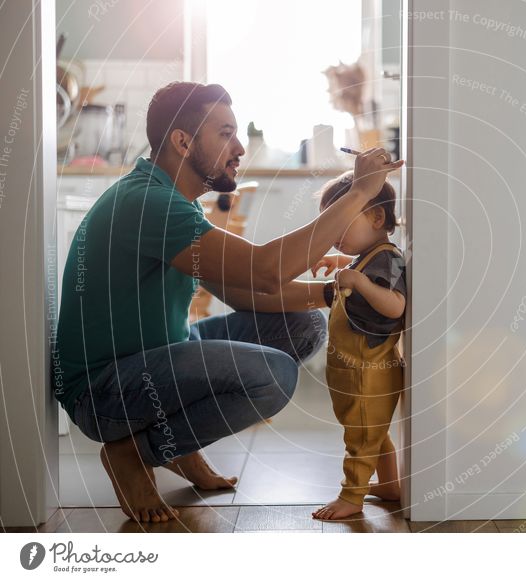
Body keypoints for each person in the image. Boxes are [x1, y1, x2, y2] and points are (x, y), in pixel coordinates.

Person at [52, 81, 403, 523]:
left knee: (305, 324)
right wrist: (358, 193)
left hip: (154, 358)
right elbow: (263, 270)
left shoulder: (175, 203)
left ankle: (179, 447)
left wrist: (332, 292)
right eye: (225, 134)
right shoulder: (148, 204)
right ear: (183, 142)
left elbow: (241, 292)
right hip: (103, 388)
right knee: (271, 375)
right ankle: (135, 451)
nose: (239, 147)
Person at [309, 171, 407, 520]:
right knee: (374, 434)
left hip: (371, 370)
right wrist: (344, 266)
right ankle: (391, 485)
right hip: (355, 369)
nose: (333, 238)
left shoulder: (389, 257)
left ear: (376, 217)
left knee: (362, 437)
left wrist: (360, 283)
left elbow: (396, 305)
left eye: (340, 227)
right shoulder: (371, 256)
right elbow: (364, 274)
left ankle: (352, 496)